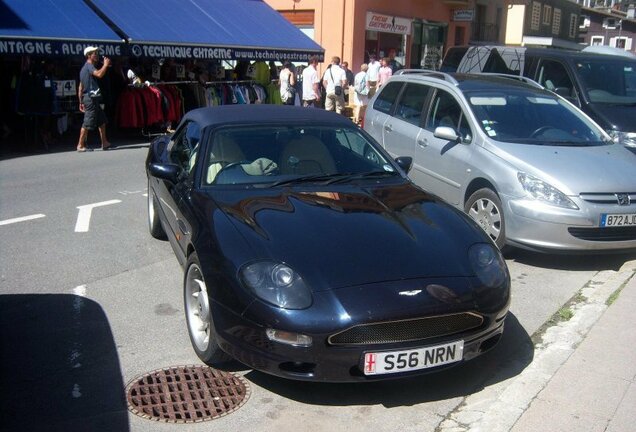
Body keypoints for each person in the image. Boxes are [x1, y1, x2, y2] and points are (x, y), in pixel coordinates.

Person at [77, 46, 111, 152]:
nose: (96, 55)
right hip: (91, 99)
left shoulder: (84, 68)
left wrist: (80, 101)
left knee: (102, 121)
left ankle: (104, 142)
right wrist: (105, 65)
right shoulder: (89, 66)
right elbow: (99, 74)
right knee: (87, 122)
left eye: (96, 53)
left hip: (91, 98)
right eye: (94, 53)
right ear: (89, 55)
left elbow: (80, 87)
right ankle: (80, 145)